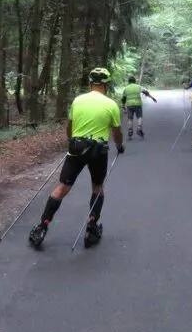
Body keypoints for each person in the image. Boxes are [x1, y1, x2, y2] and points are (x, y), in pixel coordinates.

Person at [28, 67, 124, 250]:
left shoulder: (78, 100)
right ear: (107, 84)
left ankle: (42, 226)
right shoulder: (111, 104)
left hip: (76, 149)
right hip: (98, 151)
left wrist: (72, 141)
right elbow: (116, 131)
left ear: (90, 83)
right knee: (97, 187)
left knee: (62, 187)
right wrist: (119, 146)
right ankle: (92, 227)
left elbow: (69, 127)